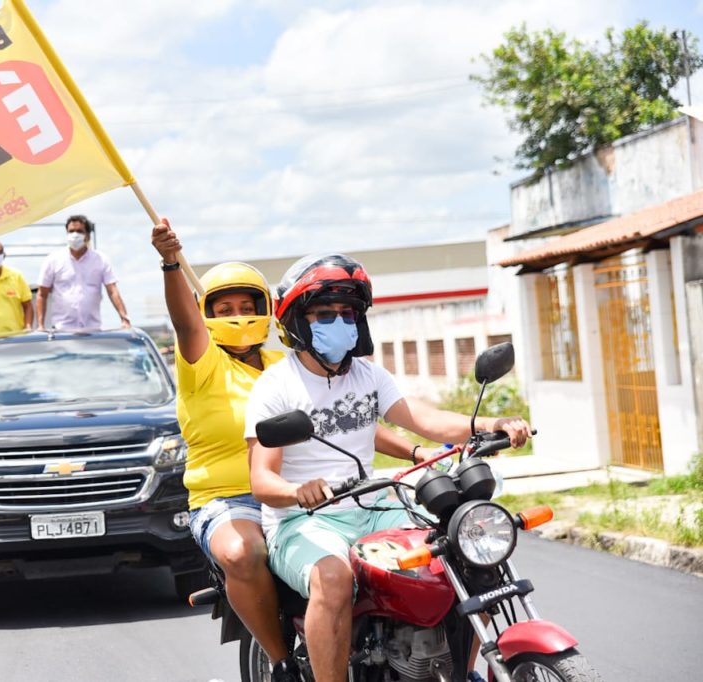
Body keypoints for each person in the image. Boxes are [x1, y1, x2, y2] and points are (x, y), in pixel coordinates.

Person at [152, 223, 442, 682]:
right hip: (231, 498)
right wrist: (171, 263)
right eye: (224, 308)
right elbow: (185, 321)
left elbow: (348, 422)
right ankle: (280, 658)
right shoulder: (202, 363)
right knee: (244, 552)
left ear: (269, 311)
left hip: (314, 491)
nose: (238, 314)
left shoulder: (289, 363)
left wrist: (415, 451)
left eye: (248, 306)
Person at [246, 253, 532, 682]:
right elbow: (262, 480)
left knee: (472, 557)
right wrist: (297, 491)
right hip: (303, 521)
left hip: (374, 508)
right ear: (298, 322)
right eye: (325, 314)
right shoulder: (275, 387)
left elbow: (423, 419)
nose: (339, 322)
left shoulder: (369, 377)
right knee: (333, 579)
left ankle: (458, 670)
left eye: (347, 313)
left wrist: (490, 423)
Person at [36, 215, 131, 331]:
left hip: (92, 329)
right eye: (71, 231)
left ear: (88, 235)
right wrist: (40, 325)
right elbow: (42, 294)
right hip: (62, 330)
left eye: (79, 231)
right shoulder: (53, 260)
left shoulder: (101, 260)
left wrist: (124, 318)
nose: (74, 235)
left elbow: (112, 291)